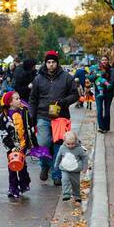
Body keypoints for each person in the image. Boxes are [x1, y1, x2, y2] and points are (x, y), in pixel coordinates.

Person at [29, 50, 79, 185]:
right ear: (45, 64)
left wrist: (64, 102)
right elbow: (33, 99)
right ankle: (45, 166)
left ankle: (57, 175)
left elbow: (75, 95)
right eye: (48, 62)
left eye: (53, 62)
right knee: (43, 143)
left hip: (60, 117)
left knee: (58, 146)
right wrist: (31, 115)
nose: (51, 65)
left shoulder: (66, 77)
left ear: (57, 63)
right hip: (43, 115)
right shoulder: (38, 79)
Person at [0, 91, 35, 198]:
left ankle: (24, 184)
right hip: (12, 148)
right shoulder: (4, 117)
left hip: (23, 145)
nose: (20, 100)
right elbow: (4, 134)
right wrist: (11, 147)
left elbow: (30, 127)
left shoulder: (24, 112)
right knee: (13, 167)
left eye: (19, 98)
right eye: (16, 99)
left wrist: (32, 142)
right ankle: (13, 188)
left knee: (23, 166)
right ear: (10, 102)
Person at [53, 131, 88, 202]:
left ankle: (77, 195)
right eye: (68, 144)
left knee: (75, 183)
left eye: (73, 144)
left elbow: (84, 157)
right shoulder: (62, 148)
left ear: (76, 141)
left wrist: (85, 167)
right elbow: (58, 157)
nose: (71, 146)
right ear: (64, 141)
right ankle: (66, 194)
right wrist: (56, 165)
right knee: (65, 180)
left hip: (75, 170)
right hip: (65, 169)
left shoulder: (79, 149)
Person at [95, 56, 114, 133]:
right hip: (98, 92)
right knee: (99, 109)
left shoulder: (111, 69)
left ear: (108, 61)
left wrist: (106, 86)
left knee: (107, 110)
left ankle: (106, 127)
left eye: (105, 60)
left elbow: (112, 80)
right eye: (102, 60)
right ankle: (101, 127)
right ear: (101, 61)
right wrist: (96, 75)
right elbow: (92, 78)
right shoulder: (97, 69)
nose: (104, 61)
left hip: (108, 92)